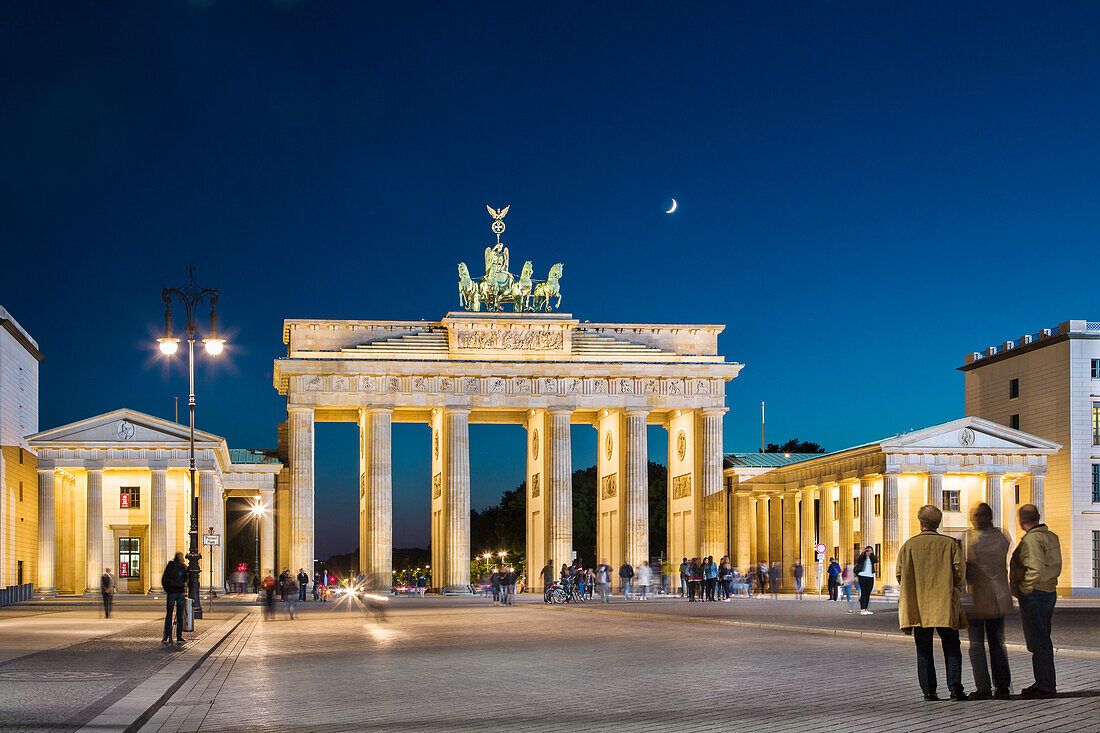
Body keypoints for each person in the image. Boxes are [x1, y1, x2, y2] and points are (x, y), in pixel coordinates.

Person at [896, 505, 968, 701]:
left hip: (919, 605)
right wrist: (955, 590)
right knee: (952, 647)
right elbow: (960, 573)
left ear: (921, 523)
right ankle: (955, 689)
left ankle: (929, 691)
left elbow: (900, 574)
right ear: (939, 523)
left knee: (924, 648)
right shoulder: (950, 544)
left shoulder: (908, 546)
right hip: (944, 603)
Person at [1010, 503, 1062, 698]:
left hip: (1035, 594)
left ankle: (1045, 685)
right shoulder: (1051, 536)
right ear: (1038, 517)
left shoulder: (1032, 540)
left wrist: (1024, 589)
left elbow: (1035, 569)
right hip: (1048, 591)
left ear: (1022, 520)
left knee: (1038, 641)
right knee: (1042, 638)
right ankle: (1044, 682)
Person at [963, 502, 1013, 699]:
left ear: (983, 517)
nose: (972, 519)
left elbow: (966, 567)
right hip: (999, 597)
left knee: (976, 645)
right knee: (997, 643)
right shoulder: (1003, 536)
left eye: (975, 516)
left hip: (978, 598)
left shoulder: (970, 538)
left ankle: (983, 687)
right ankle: (1002, 686)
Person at [161, 552, 188, 645]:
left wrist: (167, 589)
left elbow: (164, 579)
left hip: (171, 592)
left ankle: (166, 636)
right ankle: (179, 637)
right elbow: (186, 579)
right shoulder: (183, 566)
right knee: (180, 615)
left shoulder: (170, 566)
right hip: (180, 592)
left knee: (169, 614)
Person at [854, 546, 878, 614]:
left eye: (870, 551)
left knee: (868, 593)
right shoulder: (862, 557)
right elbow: (859, 561)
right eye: (867, 551)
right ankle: (862, 609)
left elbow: (876, 560)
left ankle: (866, 608)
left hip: (870, 576)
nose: (868, 552)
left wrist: (871, 555)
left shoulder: (872, 558)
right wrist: (863, 554)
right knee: (863, 593)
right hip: (862, 576)